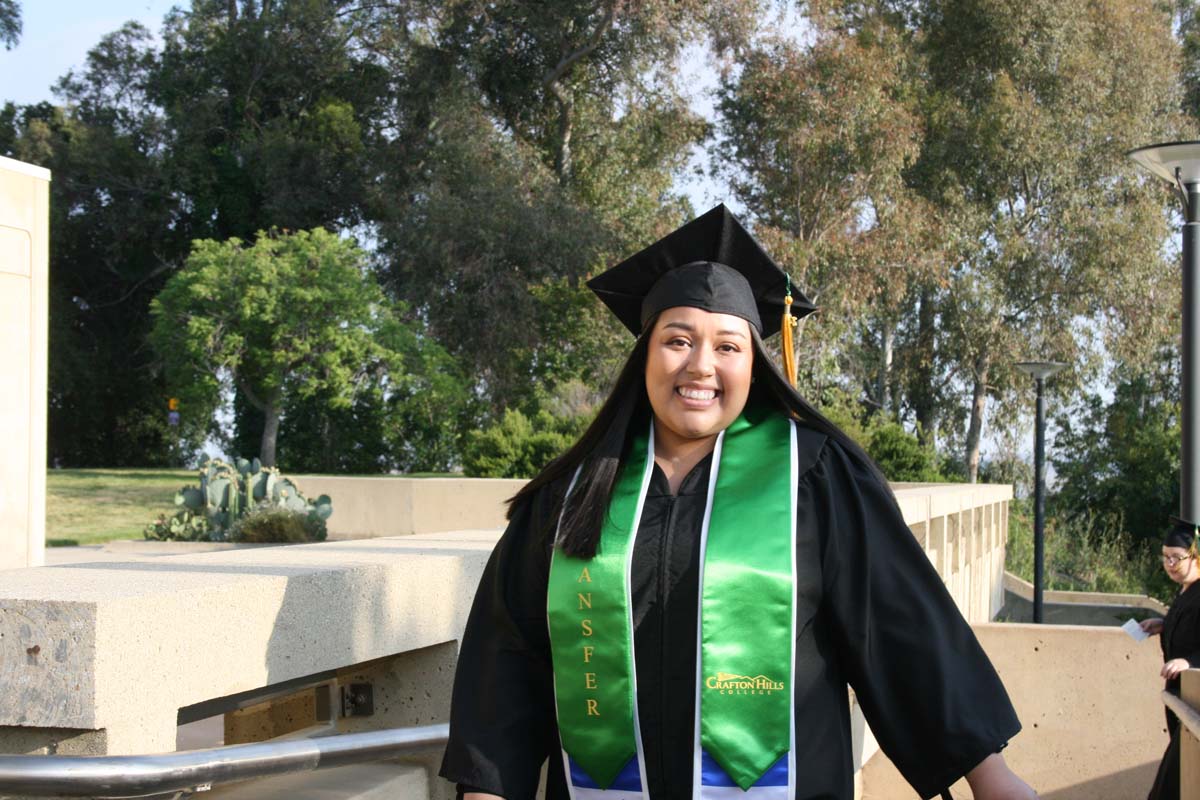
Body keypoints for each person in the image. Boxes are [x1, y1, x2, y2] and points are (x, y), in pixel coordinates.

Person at [440, 205, 1036, 800]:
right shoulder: (572, 494)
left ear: (754, 365)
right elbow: (509, 658)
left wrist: (992, 778)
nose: (700, 365)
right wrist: (487, 790)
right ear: (645, 354)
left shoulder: (815, 477)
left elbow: (901, 626)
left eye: (728, 347)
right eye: (677, 340)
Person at [1140, 516, 1200, 800]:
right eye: (1165, 557)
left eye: (1176, 558)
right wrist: (1164, 624)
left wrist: (1191, 662)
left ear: (1196, 556)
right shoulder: (1185, 591)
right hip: (1179, 698)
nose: (1169, 564)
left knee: (1168, 786)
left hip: (1195, 704)